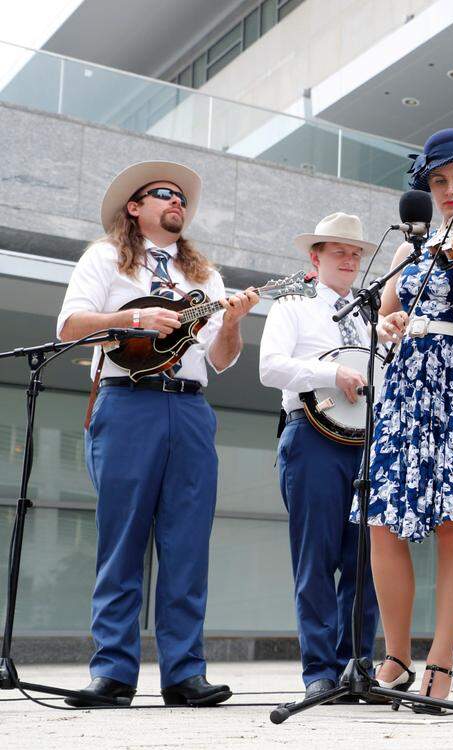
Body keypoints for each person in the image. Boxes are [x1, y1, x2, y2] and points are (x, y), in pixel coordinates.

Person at [57, 161, 258, 707]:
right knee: (122, 541)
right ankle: (113, 673)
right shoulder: (105, 257)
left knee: (187, 545)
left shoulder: (204, 275)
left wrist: (233, 322)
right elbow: (69, 326)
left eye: (182, 199)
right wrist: (135, 320)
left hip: (189, 408)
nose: (177, 202)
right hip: (127, 403)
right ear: (134, 206)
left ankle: (185, 675)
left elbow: (221, 359)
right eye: (164, 194)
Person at [352, 128, 453, 712]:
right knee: (384, 520)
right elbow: (382, 317)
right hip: (406, 381)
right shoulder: (409, 246)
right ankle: (396, 658)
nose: (449, 190)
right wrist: (387, 324)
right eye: (439, 180)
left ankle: (441, 661)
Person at [258, 212, 382, 700]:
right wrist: (331, 375)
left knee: (365, 561)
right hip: (312, 439)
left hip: (365, 443)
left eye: (355, 253)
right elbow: (270, 367)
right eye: (338, 252)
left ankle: (356, 667)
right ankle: (319, 673)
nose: (349, 260)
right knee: (315, 559)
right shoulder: (293, 307)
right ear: (316, 258)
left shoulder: (370, 317)